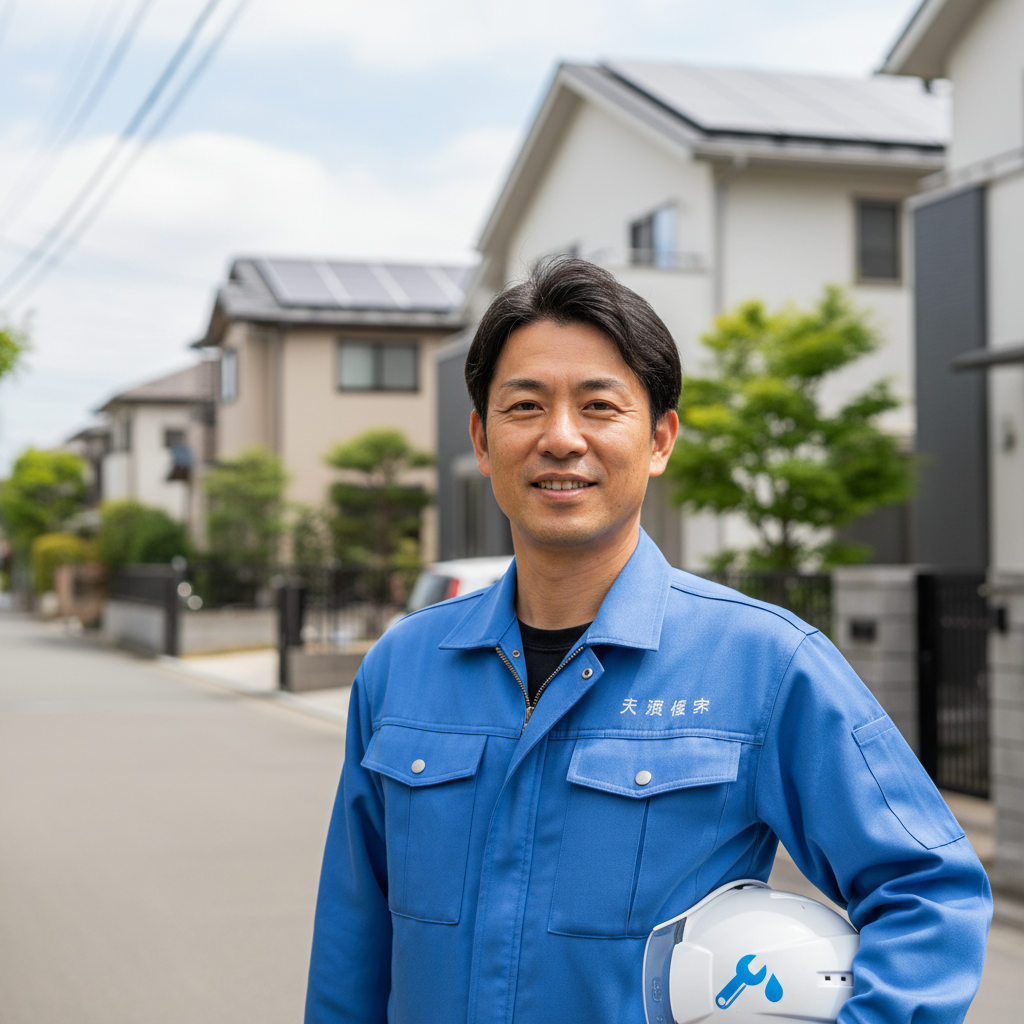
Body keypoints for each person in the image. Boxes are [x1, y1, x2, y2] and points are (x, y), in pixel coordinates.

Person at [305, 258, 991, 1024]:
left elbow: (929, 889)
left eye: (600, 406)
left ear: (660, 440)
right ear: (482, 438)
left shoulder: (762, 663)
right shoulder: (402, 669)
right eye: (525, 406)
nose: (561, 439)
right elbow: (352, 940)